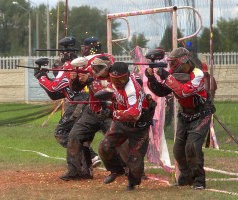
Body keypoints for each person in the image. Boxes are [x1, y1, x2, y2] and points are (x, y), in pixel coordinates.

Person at [145, 47, 216, 190]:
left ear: (185, 62)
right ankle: (185, 178)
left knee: (192, 147)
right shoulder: (173, 75)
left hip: (201, 114)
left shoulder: (198, 74)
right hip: (184, 114)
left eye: (174, 63)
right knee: (178, 149)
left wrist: (166, 76)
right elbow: (162, 91)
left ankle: (199, 181)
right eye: (170, 64)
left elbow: (184, 92)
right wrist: (151, 78)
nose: (172, 67)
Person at [33, 40, 101, 168]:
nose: (56, 71)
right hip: (85, 102)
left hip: (81, 102)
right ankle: (87, 163)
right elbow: (55, 94)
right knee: (81, 134)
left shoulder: (71, 66)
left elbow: (54, 87)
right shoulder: (74, 66)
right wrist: (43, 78)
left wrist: (42, 78)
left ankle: (90, 157)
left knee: (62, 132)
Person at [59, 54, 127, 181]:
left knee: (120, 141)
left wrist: (91, 81)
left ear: (108, 67)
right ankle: (75, 171)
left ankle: (130, 170)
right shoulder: (91, 71)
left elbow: (105, 94)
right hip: (92, 112)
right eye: (95, 67)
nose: (94, 70)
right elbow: (75, 88)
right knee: (74, 136)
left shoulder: (116, 77)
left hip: (110, 113)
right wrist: (76, 80)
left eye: (99, 67)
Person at [98, 62, 156, 190]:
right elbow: (99, 74)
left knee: (135, 161)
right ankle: (116, 170)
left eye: (122, 79)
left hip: (139, 127)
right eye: (114, 79)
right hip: (121, 123)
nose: (118, 82)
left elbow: (134, 114)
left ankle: (132, 182)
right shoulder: (114, 81)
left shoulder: (131, 90)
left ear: (128, 76)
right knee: (104, 147)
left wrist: (112, 113)